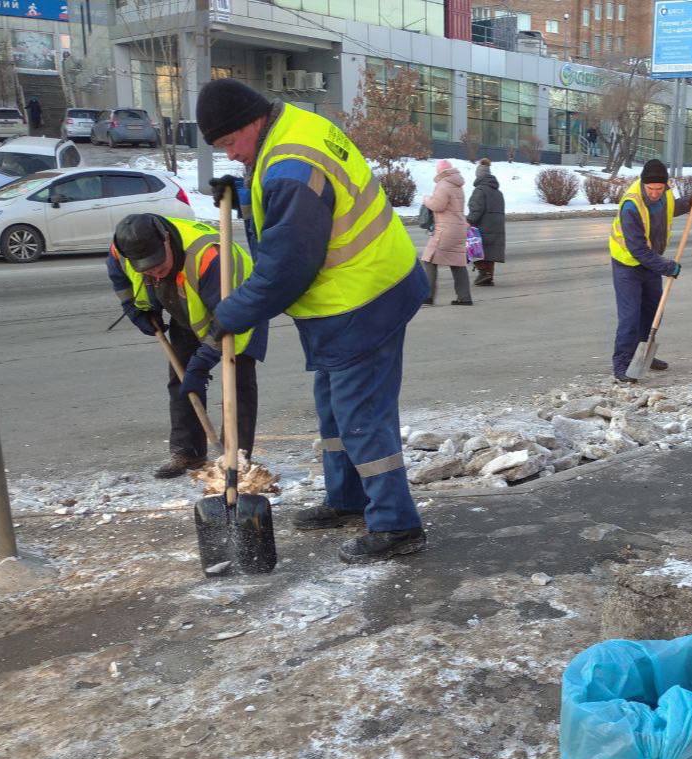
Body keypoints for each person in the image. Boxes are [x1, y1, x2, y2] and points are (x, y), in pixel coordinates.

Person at [195, 78, 431, 564]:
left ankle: (396, 524)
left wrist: (230, 315)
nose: (232, 155)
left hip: (364, 300)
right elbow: (287, 207)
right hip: (349, 298)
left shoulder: (289, 167)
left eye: (229, 143)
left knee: (362, 416)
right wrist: (242, 193)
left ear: (251, 123)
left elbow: (286, 267)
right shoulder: (290, 131)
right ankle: (347, 499)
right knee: (332, 408)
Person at [107, 213, 266, 478]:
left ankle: (235, 460)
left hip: (240, 311)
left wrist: (202, 363)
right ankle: (188, 452)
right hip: (187, 306)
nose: (155, 271)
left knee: (236, 382)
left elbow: (228, 323)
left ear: (167, 240)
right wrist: (135, 309)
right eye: (145, 268)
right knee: (181, 378)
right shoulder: (123, 248)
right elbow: (119, 275)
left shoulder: (211, 258)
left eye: (158, 263)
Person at [609, 159, 692, 383]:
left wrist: (689, 202)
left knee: (652, 311)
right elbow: (638, 250)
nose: (655, 193)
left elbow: (669, 209)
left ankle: (645, 355)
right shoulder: (631, 205)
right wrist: (667, 267)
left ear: (665, 185)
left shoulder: (665, 194)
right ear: (643, 183)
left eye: (659, 189)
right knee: (630, 317)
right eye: (651, 189)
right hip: (628, 264)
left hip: (651, 263)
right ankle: (622, 363)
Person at [421, 159, 473, 306]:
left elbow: (438, 205)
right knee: (457, 262)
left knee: (429, 259)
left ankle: (428, 296)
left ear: (440, 171)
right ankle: (464, 297)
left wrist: (426, 200)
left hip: (446, 230)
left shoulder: (443, 184)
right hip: (459, 228)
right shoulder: (457, 184)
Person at [467, 158, 506, 287]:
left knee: (474, 249)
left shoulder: (479, 191)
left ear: (478, 175)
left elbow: (476, 210)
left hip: (484, 226)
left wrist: (469, 222)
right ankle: (489, 276)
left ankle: (483, 273)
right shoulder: (498, 192)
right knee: (491, 252)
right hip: (497, 227)